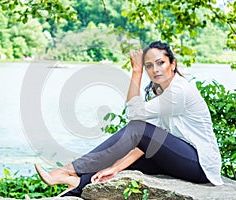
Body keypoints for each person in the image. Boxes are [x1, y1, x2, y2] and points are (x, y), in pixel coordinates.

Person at [34, 41, 223, 197]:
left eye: (161, 63)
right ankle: (75, 185)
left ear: (173, 64)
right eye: (149, 65)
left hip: (199, 165)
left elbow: (135, 121)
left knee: (137, 128)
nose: (155, 69)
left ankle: (68, 171)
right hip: (179, 158)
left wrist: (137, 72)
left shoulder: (179, 91)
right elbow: (147, 142)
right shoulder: (162, 92)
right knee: (119, 166)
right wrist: (115, 167)